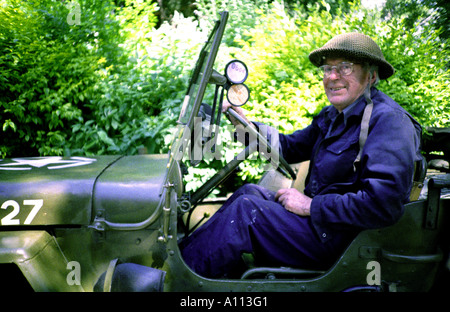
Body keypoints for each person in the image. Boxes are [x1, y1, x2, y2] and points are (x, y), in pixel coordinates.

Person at [179, 33, 423, 278]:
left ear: (370, 75)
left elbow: (383, 206)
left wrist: (311, 205)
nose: (332, 76)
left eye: (345, 68)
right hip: (322, 226)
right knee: (248, 193)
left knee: (247, 211)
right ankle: (184, 262)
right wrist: (243, 124)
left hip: (342, 240)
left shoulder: (389, 122)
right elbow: (288, 147)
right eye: (328, 69)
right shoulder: (333, 117)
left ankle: (178, 282)